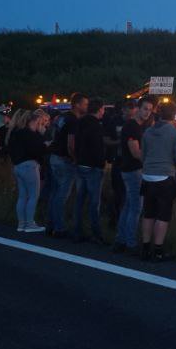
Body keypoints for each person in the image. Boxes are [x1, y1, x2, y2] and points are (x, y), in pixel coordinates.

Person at [139, 102, 176, 262]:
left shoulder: (148, 132)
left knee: (148, 213)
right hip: (165, 177)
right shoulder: (175, 133)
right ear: (173, 115)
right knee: (163, 215)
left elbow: (142, 156)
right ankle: (158, 250)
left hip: (147, 176)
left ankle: (145, 249)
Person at [114, 99, 150, 254]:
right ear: (137, 109)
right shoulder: (132, 126)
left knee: (129, 206)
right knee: (136, 207)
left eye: (150, 109)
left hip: (130, 169)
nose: (147, 112)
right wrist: (150, 163)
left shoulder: (140, 126)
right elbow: (135, 152)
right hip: (133, 170)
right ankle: (130, 243)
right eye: (145, 109)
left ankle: (120, 240)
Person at [47, 94, 85, 236]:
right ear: (77, 105)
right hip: (64, 159)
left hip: (54, 157)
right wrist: (75, 158)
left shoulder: (62, 117)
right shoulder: (74, 120)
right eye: (85, 104)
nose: (86, 107)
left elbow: (54, 135)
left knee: (55, 193)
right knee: (62, 195)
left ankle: (50, 224)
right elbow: (71, 143)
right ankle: (59, 227)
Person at [71, 97, 107, 243]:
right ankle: (96, 233)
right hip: (93, 168)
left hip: (80, 165)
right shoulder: (97, 126)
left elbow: (75, 143)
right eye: (103, 109)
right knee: (94, 202)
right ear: (99, 110)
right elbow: (97, 148)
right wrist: (101, 164)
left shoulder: (80, 122)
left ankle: (77, 231)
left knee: (79, 200)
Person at [9, 108, 49, 232]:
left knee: (22, 196)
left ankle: (21, 224)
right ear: (34, 121)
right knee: (33, 196)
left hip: (17, 166)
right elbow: (36, 150)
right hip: (29, 166)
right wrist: (46, 146)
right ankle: (30, 224)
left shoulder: (16, 132)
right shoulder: (30, 134)